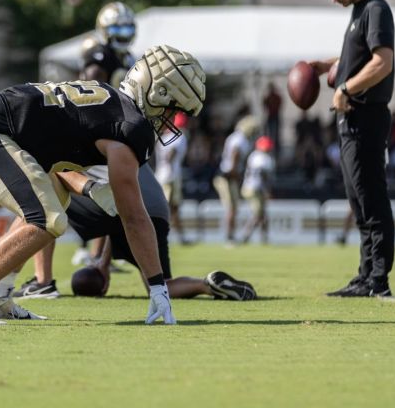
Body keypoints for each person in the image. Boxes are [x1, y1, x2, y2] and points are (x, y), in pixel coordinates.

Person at [0, 44, 206, 325]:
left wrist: (88, 187)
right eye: (172, 111)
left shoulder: (109, 101)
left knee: (54, 201)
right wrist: (158, 286)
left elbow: (57, 169)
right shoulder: (130, 126)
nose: (171, 121)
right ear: (156, 93)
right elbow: (134, 217)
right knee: (46, 219)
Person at [14, 1, 140, 298]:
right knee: (116, 201)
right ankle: (98, 264)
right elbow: (93, 85)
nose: (122, 33)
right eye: (117, 27)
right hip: (114, 136)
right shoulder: (101, 55)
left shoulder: (121, 55)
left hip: (97, 136)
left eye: (126, 27)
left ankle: (44, 279)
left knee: (45, 197)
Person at [306, 0, 395, 299]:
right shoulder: (358, 15)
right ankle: (365, 276)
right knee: (357, 200)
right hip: (350, 119)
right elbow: (357, 58)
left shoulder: (376, 9)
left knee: (372, 198)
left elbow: (382, 62)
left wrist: (345, 88)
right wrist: (327, 64)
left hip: (367, 117)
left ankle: (378, 280)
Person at [60, 166, 256, 301]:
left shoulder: (78, 147)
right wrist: (102, 263)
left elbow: (120, 213)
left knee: (50, 182)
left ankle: (42, 282)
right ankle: (208, 283)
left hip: (130, 207)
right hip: (158, 208)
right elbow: (120, 222)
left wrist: (101, 265)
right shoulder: (121, 138)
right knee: (160, 283)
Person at [213, 115, 258, 245]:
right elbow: (234, 159)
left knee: (234, 208)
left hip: (228, 175)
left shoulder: (236, 137)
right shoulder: (241, 140)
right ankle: (229, 237)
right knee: (232, 208)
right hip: (227, 176)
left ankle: (230, 235)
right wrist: (238, 175)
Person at [153, 111, 190, 245]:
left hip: (161, 174)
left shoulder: (164, 136)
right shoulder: (180, 137)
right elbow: (170, 156)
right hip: (170, 176)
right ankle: (159, 235)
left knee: (173, 208)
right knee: (168, 208)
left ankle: (180, 237)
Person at [239, 136, 275, 245]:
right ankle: (245, 236)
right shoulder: (265, 159)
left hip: (249, 187)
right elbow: (263, 176)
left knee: (263, 213)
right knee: (258, 214)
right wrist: (267, 191)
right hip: (255, 188)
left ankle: (264, 238)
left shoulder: (253, 156)